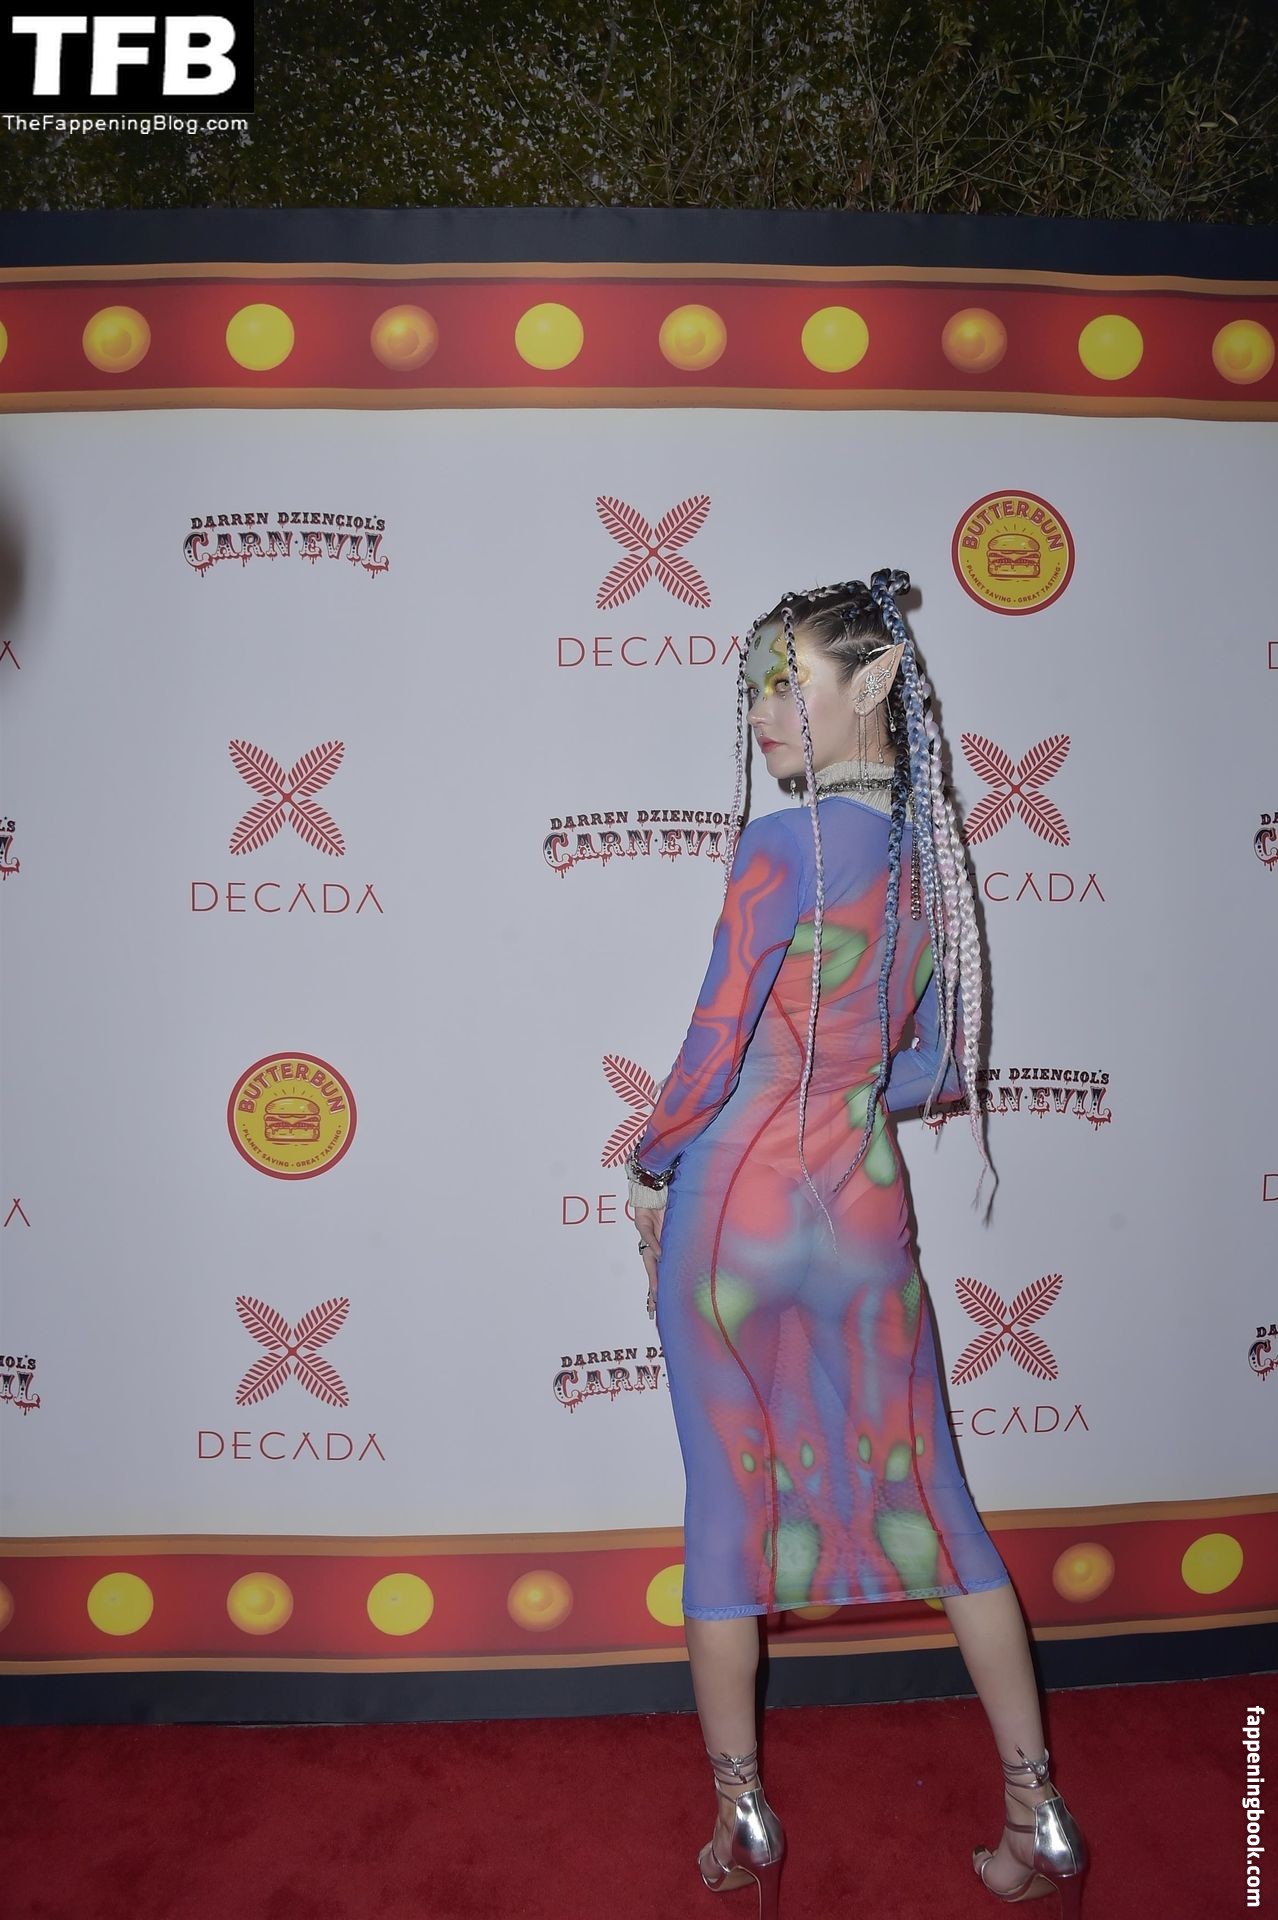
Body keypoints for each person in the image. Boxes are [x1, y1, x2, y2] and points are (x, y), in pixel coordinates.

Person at [626, 570, 1089, 1918]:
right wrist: (839, 1090)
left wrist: (651, 1161)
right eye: (754, 691)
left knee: (727, 1515)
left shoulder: (784, 847)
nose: (765, 713)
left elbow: (713, 1040)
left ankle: (742, 1819)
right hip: (865, 1215)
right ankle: (1038, 1812)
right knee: (943, 1509)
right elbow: (930, 1064)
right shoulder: (930, 868)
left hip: (731, 1218)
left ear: (872, 682)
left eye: (788, 683)